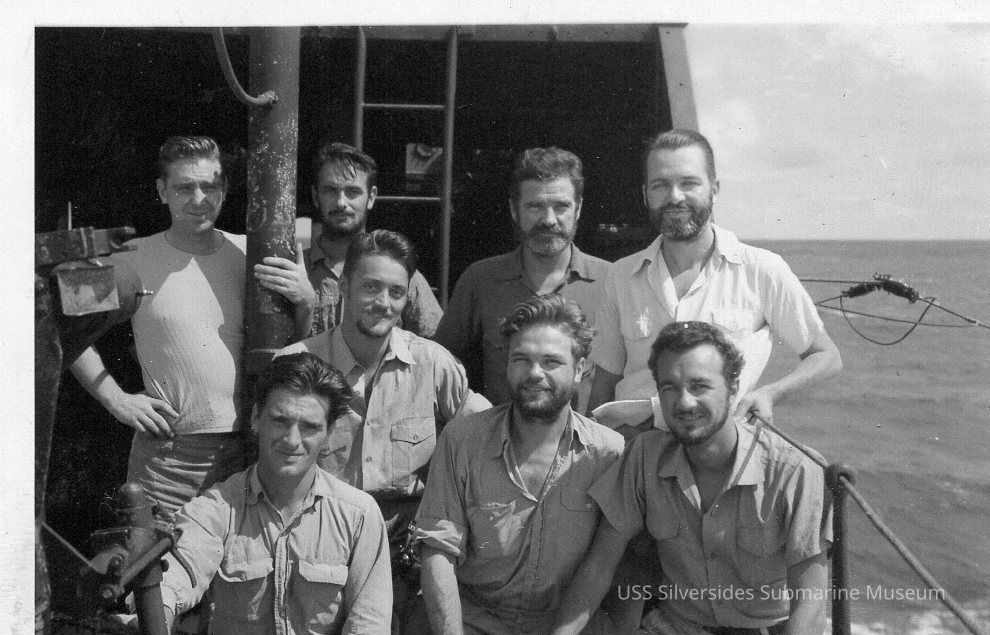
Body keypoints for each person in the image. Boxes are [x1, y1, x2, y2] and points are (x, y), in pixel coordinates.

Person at [70, 135, 316, 513]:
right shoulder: (134, 258)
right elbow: (63, 323)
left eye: (209, 186)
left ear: (224, 189)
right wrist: (116, 399)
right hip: (168, 461)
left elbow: (296, 348)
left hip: (250, 454)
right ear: (162, 191)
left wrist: (306, 301)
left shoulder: (252, 253)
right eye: (185, 187)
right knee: (156, 554)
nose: (199, 199)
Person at [552, 321, 832, 634]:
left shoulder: (793, 471)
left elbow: (810, 603)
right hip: (676, 626)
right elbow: (599, 566)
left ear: (733, 388)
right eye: (669, 387)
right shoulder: (645, 457)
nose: (684, 402)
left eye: (699, 386)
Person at [276, 229, 490, 629]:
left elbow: (488, 436)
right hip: (321, 549)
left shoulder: (433, 365)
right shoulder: (298, 364)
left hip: (405, 559)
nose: (383, 303)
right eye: (371, 287)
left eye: (396, 292)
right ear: (344, 287)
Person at [587, 129, 841, 432]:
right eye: (661, 185)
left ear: (714, 189)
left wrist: (770, 394)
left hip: (722, 442)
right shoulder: (621, 277)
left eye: (689, 183)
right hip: (637, 444)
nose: (675, 196)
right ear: (645, 194)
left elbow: (825, 356)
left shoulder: (761, 270)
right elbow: (604, 384)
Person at [415, 294, 625, 634]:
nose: (534, 373)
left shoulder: (609, 454)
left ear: (579, 370)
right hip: (472, 621)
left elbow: (601, 567)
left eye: (551, 362)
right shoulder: (462, 440)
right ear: (507, 365)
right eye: (521, 359)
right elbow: (438, 550)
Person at [159, 352, 392, 634]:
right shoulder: (217, 509)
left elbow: (369, 624)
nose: (292, 440)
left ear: (329, 433)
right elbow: (173, 579)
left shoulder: (359, 516)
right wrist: (160, 607)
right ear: (256, 419)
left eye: (309, 427)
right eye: (280, 421)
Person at [435, 146, 610, 411]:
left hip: (588, 436)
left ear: (578, 209)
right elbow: (439, 366)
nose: (549, 220)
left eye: (561, 206)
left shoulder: (612, 282)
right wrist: (472, 410)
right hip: (500, 435)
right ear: (514, 210)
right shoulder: (481, 280)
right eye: (535, 206)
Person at [302, 141, 442, 338]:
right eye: (330, 190)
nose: (341, 202)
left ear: (371, 197)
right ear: (316, 197)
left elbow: (436, 344)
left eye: (352, 192)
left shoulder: (400, 273)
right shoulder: (297, 271)